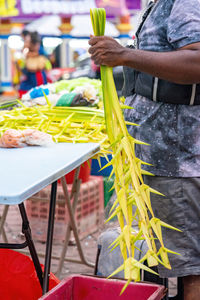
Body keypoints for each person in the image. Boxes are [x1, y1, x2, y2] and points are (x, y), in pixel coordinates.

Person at [88, 0, 200, 299]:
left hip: (178, 158)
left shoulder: (185, 2)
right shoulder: (160, 4)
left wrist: (124, 55)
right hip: (164, 156)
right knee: (178, 260)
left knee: (191, 269)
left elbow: (197, 62)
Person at [18, 31, 52, 97]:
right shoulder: (27, 52)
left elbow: (47, 65)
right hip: (30, 77)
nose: (25, 42)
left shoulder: (40, 52)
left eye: (27, 41)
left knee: (39, 93)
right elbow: (23, 66)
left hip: (38, 76)